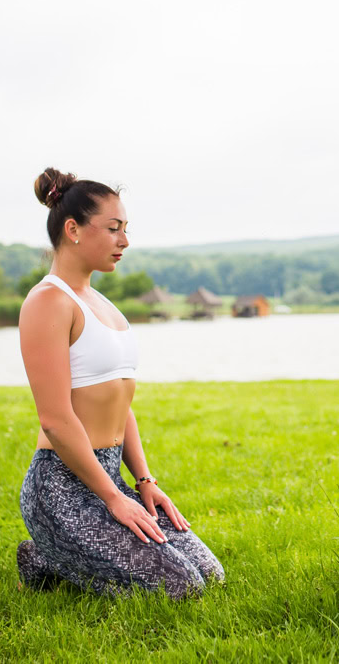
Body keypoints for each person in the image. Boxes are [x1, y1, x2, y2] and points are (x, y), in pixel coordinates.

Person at [15, 167, 224, 599]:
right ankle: (44, 553)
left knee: (210, 574)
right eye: (113, 229)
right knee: (181, 588)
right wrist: (114, 498)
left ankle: (53, 557)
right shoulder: (48, 302)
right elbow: (55, 420)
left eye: (125, 229)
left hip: (110, 477)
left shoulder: (102, 303)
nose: (124, 241)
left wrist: (144, 483)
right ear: (72, 229)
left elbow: (119, 402)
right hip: (62, 489)